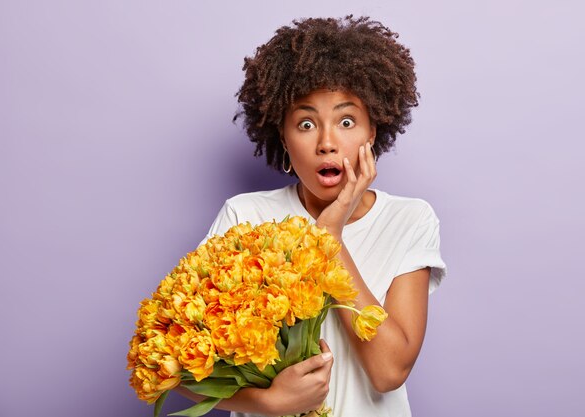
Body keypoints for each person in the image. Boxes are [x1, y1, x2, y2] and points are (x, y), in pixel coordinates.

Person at [177, 15, 446, 417]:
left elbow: (389, 371)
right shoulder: (246, 215)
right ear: (282, 137)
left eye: (347, 121)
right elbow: (178, 365)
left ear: (373, 131)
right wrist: (267, 402)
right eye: (306, 124)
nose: (326, 142)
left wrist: (329, 236)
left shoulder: (409, 220)